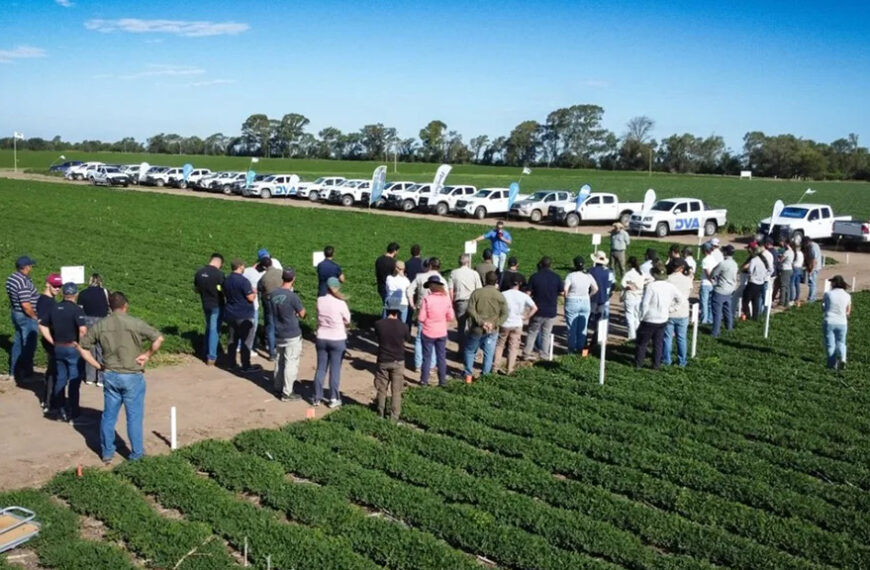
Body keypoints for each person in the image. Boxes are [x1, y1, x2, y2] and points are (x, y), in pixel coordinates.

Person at [76, 292, 163, 464]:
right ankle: (136, 454)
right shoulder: (135, 323)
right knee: (134, 417)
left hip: (110, 375)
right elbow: (158, 338)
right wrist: (147, 354)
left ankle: (107, 453)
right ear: (126, 305)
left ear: (110, 306)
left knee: (108, 416)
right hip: (132, 376)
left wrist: (97, 365)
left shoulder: (101, 325)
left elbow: (82, 347)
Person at [38, 283, 87, 422]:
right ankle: (74, 410)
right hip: (72, 347)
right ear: (76, 294)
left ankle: (59, 408)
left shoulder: (54, 308)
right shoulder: (77, 310)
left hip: (58, 347)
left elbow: (41, 324)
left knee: (60, 378)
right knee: (74, 379)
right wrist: (82, 347)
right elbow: (83, 330)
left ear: (63, 294)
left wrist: (52, 340)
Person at [635, 262, 682, 369]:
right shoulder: (670, 286)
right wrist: (671, 309)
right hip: (663, 319)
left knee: (642, 342)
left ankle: (639, 363)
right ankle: (656, 364)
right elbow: (680, 299)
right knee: (658, 343)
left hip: (649, 319)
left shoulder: (651, 286)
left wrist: (641, 316)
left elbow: (645, 303)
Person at [313, 277, 351, 408]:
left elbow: (318, 315)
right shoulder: (341, 303)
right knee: (335, 370)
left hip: (322, 337)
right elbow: (347, 319)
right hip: (337, 339)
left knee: (321, 368)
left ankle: (317, 397)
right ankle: (333, 398)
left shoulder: (320, 300)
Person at [464, 271, 508, 382]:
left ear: (484, 280)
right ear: (496, 282)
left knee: (470, 351)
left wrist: (481, 322)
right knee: (488, 354)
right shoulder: (500, 295)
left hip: (477, 329)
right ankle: (485, 376)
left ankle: (468, 376)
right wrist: (494, 324)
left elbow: (470, 309)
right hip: (492, 330)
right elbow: (505, 314)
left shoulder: (476, 293)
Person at [270, 268, 305, 402]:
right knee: (291, 362)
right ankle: (287, 392)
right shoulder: (292, 296)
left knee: (279, 360)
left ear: (282, 278)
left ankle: (277, 386)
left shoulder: (273, 294)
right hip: (291, 332)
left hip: (278, 331)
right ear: (293, 279)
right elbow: (302, 313)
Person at [374, 299, 411, 421]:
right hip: (398, 361)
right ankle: (394, 417)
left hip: (383, 360)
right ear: (398, 311)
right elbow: (407, 339)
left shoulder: (379, 324)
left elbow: (378, 337)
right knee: (396, 391)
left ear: (387, 309)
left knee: (381, 388)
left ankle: (380, 413)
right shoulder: (403, 327)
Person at [6, 255, 40, 381]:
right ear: (25, 267)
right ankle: (25, 373)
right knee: (28, 345)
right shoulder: (23, 282)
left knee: (18, 342)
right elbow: (26, 305)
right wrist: (35, 316)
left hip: (16, 313)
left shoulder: (12, 278)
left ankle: (13, 371)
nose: (31, 268)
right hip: (26, 316)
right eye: (30, 265)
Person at [522, 257, 563, 361]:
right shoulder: (556, 277)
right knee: (546, 334)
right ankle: (544, 355)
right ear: (550, 265)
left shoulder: (534, 277)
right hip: (551, 310)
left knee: (532, 332)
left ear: (540, 265)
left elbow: (528, 293)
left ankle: (526, 353)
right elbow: (562, 292)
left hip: (537, 310)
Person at [408, 257, 444, 371]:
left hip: (421, 310)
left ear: (429, 265)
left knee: (419, 338)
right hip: (436, 313)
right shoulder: (441, 279)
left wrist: (412, 304)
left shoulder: (420, 277)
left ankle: (418, 364)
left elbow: (409, 290)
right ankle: (431, 365)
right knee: (434, 337)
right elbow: (446, 296)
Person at [495, 274, 537, 374]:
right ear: (520, 284)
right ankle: (510, 369)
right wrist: (526, 317)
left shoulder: (503, 294)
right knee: (513, 347)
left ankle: (495, 368)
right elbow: (534, 308)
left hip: (504, 323)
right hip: (517, 323)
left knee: (500, 345)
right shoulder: (523, 296)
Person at [417, 275, 454, 387]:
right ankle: (442, 381)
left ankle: (424, 380)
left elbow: (421, 318)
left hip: (428, 331)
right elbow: (451, 316)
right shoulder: (446, 299)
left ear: (431, 288)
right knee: (441, 357)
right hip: (441, 331)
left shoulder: (427, 299)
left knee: (427, 357)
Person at [224, 259, 257, 371]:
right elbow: (250, 298)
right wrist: (254, 293)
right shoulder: (244, 281)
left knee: (232, 340)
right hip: (243, 314)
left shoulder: (227, 280)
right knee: (246, 340)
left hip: (230, 313)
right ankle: (245, 365)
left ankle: (231, 363)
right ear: (240, 267)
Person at [77, 273, 110, 386]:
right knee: (101, 349)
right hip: (102, 322)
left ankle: (89, 377)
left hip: (87, 321)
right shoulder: (106, 292)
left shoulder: (83, 293)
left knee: (89, 349)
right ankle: (101, 378)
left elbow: (80, 310)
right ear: (100, 281)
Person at [37, 274, 62, 411]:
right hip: (51, 340)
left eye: (59, 286)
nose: (57, 289)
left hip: (55, 339)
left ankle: (50, 399)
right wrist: (52, 342)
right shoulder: (45, 301)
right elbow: (41, 324)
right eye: (55, 286)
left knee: (54, 370)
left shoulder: (51, 300)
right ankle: (49, 402)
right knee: (53, 371)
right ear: (47, 284)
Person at [193, 253, 224, 366]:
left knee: (209, 326)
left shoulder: (199, 272)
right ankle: (212, 356)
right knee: (214, 329)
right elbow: (222, 290)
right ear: (219, 263)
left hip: (205, 303)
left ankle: (205, 351)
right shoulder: (219, 274)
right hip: (216, 304)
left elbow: (196, 289)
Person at [448, 253, 482, 354]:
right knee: (473, 327)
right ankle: (473, 351)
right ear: (468, 262)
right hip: (472, 302)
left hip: (460, 302)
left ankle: (461, 351)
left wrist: (452, 302)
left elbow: (450, 289)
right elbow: (479, 290)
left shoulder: (454, 273)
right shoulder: (474, 274)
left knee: (461, 328)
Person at [563, 256, 597, 353]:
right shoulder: (588, 276)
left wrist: (566, 298)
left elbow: (565, 290)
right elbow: (595, 289)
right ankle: (581, 348)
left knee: (571, 327)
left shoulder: (570, 276)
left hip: (572, 300)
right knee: (583, 327)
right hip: (585, 301)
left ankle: (571, 349)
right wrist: (588, 296)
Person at [662, 260, 692, 367]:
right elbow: (688, 293)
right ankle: (682, 361)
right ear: (681, 268)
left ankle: (666, 359)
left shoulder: (668, 279)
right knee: (681, 337)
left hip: (670, 311)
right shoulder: (687, 280)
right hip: (683, 312)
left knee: (667, 337)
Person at [822, 275, 851, 370]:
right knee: (841, 342)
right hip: (842, 322)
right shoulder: (847, 296)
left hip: (829, 321)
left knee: (830, 344)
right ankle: (843, 358)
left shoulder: (828, 294)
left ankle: (832, 365)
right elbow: (848, 311)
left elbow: (823, 307)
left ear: (834, 283)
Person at [257, 256, 283, 360]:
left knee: (270, 326)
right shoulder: (280, 272)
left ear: (263, 266)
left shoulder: (263, 278)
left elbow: (260, 289)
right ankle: (282, 347)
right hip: (281, 299)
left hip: (268, 301)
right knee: (281, 323)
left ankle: (272, 352)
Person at [588, 251, 615, 347]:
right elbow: (613, 285)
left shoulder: (591, 271)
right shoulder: (609, 272)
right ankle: (600, 340)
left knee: (589, 318)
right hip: (604, 298)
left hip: (593, 298)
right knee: (602, 319)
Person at [711, 245, 738, 338]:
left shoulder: (723, 264)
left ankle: (715, 332)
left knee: (717, 312)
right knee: (727, 311)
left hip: (720, 290)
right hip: (730, 290)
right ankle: (729, 328)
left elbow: (713, 273)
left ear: (725, 253)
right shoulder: (735, 264)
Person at [621, 257, 646, 341]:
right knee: (636, 316)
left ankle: (632, 335)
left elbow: (622, 283)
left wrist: (628, 286)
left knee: (629, 316)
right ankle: (637, 333)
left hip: (630, 297)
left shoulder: (629, 274)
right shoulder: (641, 273)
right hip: (639, 296)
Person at [741, 245, 768, 320]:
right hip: (760, 283)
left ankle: (747, 315)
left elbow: (750, 270)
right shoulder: (763, 260)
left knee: (745, 301)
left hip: (752, 282)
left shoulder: (754, 260)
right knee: (755, 301)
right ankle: (755, 318)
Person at [699, 244, 718, 324]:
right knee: (710, 303)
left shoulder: (705, 260)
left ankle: (704, 320)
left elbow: (708, 273)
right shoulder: (714, 259)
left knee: (704, 303)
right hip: (713, 284)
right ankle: (710, 319)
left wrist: (711, 279)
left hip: (706, 283)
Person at [777, 238, 794, 307]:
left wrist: (778, 258)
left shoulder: (787, 252)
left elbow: (781, 260)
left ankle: (782, 301)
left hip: (785, 269)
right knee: (787, 286)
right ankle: (786, 301)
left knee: (783, 286)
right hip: (790, 269)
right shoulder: (792, 251)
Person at [805, 237, 822, 302]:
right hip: (817, 267)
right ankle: (813, 297)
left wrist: (811, 270)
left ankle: (811, 298)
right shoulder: (816, 245)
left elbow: (814, 261)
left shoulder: (812, 248)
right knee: (814, 283)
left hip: (814, 267)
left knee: (812, 283)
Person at [791, 238, 805, 305]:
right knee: (797, 284)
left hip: (795, 268)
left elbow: (793, 262)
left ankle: (792, 297)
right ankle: (797, 297)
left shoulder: (795, 253)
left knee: (792, 283)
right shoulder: (801, 253)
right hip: (800, 269)